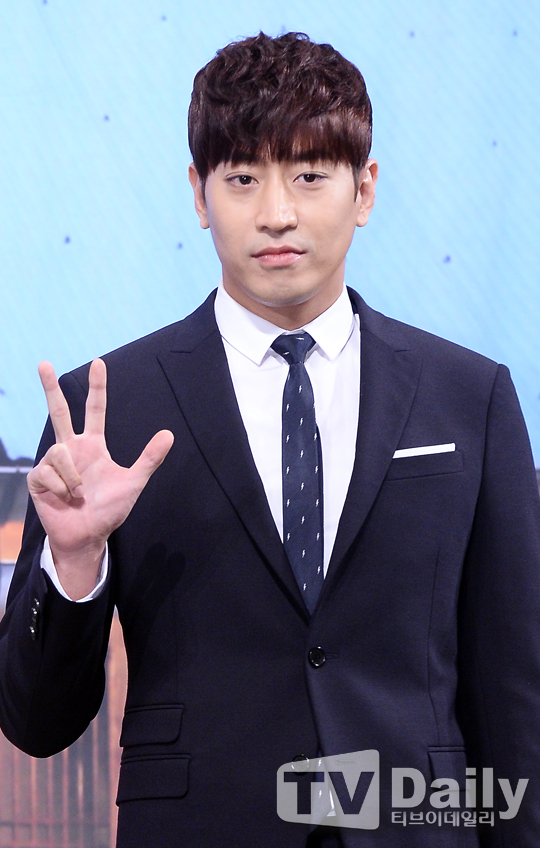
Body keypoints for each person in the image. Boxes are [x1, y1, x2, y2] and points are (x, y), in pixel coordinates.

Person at [1, 31, 540, 848]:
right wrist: (74, 565)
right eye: (243, 178)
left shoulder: (468, 397)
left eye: (310, 175)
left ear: (364, 189)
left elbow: (515, 694)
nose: (277, 213)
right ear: (198, 193)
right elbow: (35, 722)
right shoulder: (107, 408)